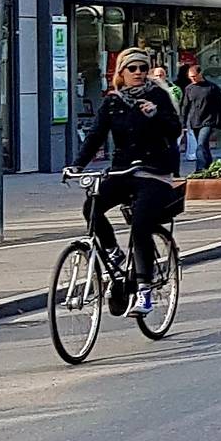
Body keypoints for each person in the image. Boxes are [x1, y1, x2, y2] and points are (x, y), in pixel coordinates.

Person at [73, 47, 185, 317]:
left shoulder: (158, 95)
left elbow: (175, 130)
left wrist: (155, 115)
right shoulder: (112, 102)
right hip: (123, 171)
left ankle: (145, 290)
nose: (138, 73)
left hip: (154, 172)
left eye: (142, 69)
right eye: (132, 69)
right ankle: (113, 253)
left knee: (141, 223)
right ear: (120, 73)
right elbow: (96, 135)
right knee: (92, 207)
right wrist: (77, 165)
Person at [175, 64, 221, 176]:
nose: (192, 79)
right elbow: (185, 107)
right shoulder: (189, 89)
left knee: (201, 145)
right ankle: (210, 167)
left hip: (208, 120)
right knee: (204, 146)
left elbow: (220, 106)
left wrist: (219, 122)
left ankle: (200, 169)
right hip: (195, 121)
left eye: (194, 76)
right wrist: (183, 123)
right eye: (190, 77)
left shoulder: (212, 88)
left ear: (200, 74)